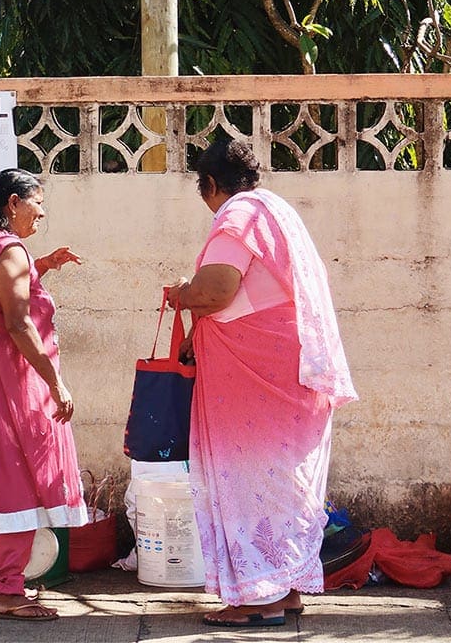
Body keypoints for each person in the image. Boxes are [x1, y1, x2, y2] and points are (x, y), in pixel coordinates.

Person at [164, 138, 358, 628]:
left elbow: (218, 289)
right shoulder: (276, 211)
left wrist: (182, 295)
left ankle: (259, 600)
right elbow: (251, 297)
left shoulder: (238, 214)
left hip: (258, 383)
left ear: (210, 184)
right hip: (285, 376)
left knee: (249, 482)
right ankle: (286, 590)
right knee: (279, 484)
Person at [0, 168, 88, 621]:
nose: (42, 211)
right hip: (5, 386)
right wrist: (55, 382)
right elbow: (17, 322)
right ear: (12, 203)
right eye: (37, 203)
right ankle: (7, 588)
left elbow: (2, 287)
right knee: (17, 483)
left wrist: (41, 264)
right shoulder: (8, 251)